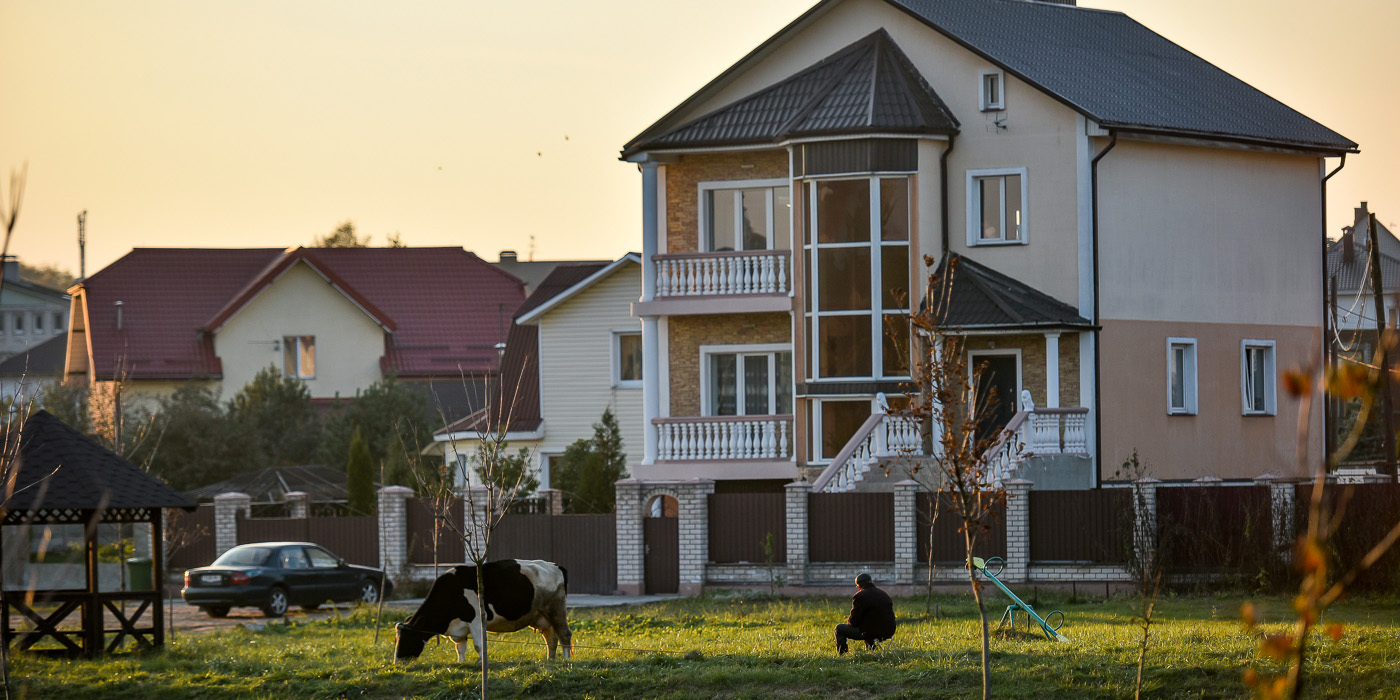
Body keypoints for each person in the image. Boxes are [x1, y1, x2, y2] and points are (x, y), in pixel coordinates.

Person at [834, 572, 896, 654]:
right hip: (889, 631)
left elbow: (854, 621)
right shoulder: (883, 594)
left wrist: (849, 624)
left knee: (839, 629)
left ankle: (843, 654)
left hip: (871, 632)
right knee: (868, 624)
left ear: (858, 587)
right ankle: (872, 650)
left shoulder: (860, 596)